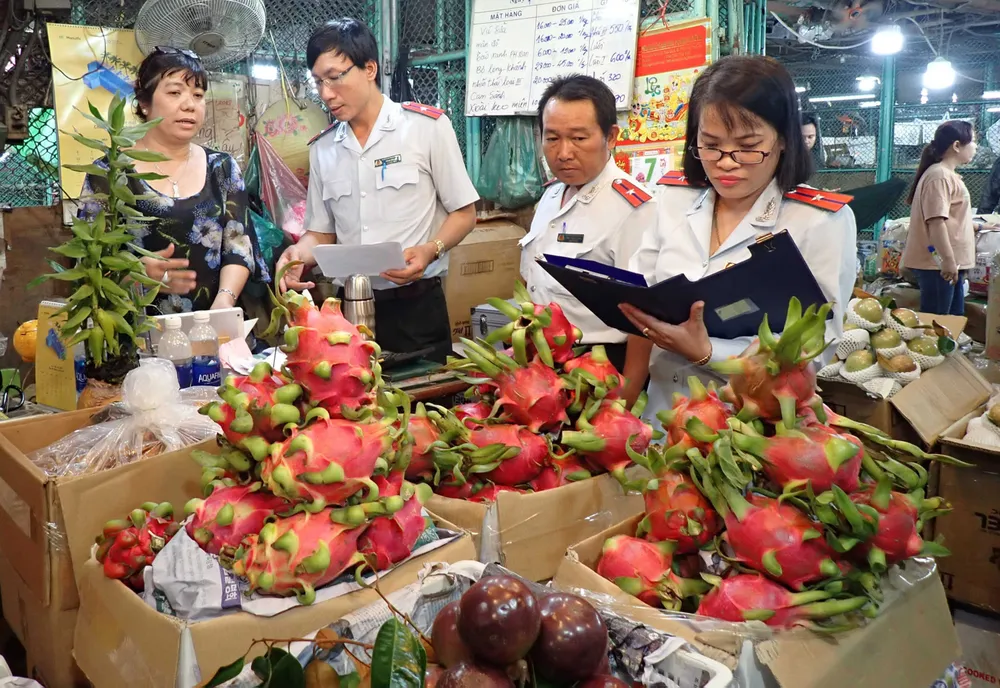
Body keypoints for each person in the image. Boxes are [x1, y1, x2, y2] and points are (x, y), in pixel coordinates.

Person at [617, 56, 858, 413]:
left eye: (747, 147)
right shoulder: (673, 199)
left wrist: (708, 354)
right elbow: (642, 291)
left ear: (784, 141)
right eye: (711, 145)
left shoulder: (819, 221)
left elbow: (813, 345)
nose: (727, 162)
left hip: (748, 426)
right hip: (664, 416)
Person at [275, 18, 479, 363]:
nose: (326, 93)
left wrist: (432, 249)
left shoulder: (426, 128)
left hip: (415, 308)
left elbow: (464, 212)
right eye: (318, 82)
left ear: (369, 69)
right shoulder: (323, 149)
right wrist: (297, 256)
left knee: (422, 411)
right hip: (345, 313)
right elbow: (320, 234)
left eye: (336, 77)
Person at [79, 47, 268, 314]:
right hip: (136, 337)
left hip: (215, 326)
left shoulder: (222, 168)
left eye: (198, 95)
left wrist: (224, 302)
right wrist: (135, 275)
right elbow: (89, 265)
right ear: (144, 103)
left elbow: (239, 245)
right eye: (174, 92)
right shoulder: (110, 173)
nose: (190, 104)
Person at [519, 75, 656, 373]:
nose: (564, 153)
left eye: (579, 138)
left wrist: (627, 396)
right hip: (543, 362)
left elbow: (644, 312)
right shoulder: (552, 196)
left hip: (600, 365)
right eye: (552, 138)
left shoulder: (632, 207)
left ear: (611, 137)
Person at [902, 120, 977, 316]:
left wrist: (971, 227)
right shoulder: (940, 176)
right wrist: (947, 260)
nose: (976, 147)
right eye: (973, 141)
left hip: (946, 264)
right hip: (938, 265)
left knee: (952, 320)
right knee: (937, 323)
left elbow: (948, 217)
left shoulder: (946, 175)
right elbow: (936, 223)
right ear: (957, 145)